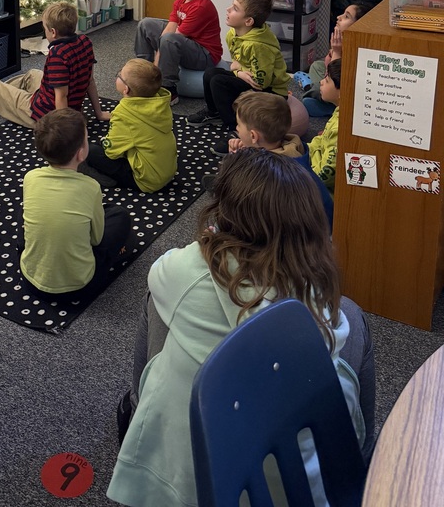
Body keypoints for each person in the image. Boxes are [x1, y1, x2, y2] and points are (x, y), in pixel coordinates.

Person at [108, 149, 375, 507]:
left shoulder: (190, 272)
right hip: (298, 485)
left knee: (155, 301)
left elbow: (160, 271)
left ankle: (136, 404)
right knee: (355, 319)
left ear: (224, 218)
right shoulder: (319, 307)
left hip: (189, 478)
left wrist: (210, 240)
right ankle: (368, 457)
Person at [20, 109, 132, 298]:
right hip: (80, 286)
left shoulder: (30, 177)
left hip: (30, 280)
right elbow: (96, 239)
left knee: (31, 211)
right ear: (81, 154)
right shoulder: (91, 186)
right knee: (120, 216)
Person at [208, 90, 333, 229]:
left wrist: (235, 162)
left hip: (295, 239)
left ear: (253, 136)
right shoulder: (295, 150)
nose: (236, 128)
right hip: (322, 232)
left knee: (222, 221)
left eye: (238, 125)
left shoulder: (267, 176)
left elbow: (242, 205)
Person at [186, 0, 289, 153]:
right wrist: (238, 71)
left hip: (270, 92)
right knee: (211, 73)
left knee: (219, 81)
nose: (228, 9)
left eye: (235, 8)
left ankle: (236, 130)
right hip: (249, 78)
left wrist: (238, 69)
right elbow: (236, 62)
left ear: (248, 21)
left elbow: (261, 82)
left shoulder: (258, 45)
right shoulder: (234, 33)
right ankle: (214, 112)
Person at [80, 59, 177, 193]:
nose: (118, 74)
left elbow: (111, 152)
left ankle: (100, 176)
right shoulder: (158, 102)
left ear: (126, 89)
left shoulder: (124, 114)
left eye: (120, 75)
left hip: (146, 181)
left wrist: (106, 141)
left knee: (89, 150)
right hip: (166, 171)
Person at [134, 0, 222, 105]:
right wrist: (152, 68)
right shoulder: (181, 1)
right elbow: (170, 27)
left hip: (205, 55)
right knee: (146, 24)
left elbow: (172, 37)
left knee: (169, 40)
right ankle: (142, 71)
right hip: (187, 42)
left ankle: (168, 88)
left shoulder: (201, 7)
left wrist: (156, 71)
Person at [302, 1, 373, 117]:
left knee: (308, 100)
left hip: (342, 90)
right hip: (330, 78)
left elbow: (337, 79)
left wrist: (336, 51)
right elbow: (326, 67)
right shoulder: (343, 41)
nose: (339, 17)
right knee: (316, 66)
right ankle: (320, 93)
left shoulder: (357, 50)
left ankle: (332, 106)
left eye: (346, 16)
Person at [305, 57, 342, 193]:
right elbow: (321, 140)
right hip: (313, 162)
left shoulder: (340, 127)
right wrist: (305, 150)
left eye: (326, 81)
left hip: (318, 189)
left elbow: (325, 176)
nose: (321, 82)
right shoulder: (339, 111)